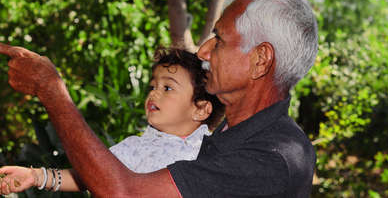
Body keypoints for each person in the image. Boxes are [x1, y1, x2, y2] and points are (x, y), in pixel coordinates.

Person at [0, 0, 319, 197]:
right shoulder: (223, 132)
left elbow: (124, 191)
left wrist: (51, 90)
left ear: (260, 60)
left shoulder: (273, 158)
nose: (204, 52)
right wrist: (42, 176)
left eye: (219, 40)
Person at [0, 48, 224, 194]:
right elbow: (90, 175)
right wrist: (36, 176)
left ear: (201, 109)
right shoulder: (135, 147)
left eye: (168, 88)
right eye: (153, 87)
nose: (154, 94)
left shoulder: (212, 153)